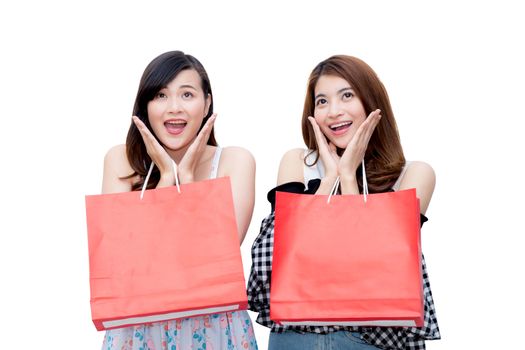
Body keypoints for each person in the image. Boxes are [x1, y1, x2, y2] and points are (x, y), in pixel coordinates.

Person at [247, 55, 440, 349]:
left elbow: (383, 264)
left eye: (346, 95)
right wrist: (329, 179)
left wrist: (348, 177)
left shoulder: (413, 174)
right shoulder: (298, 163)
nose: (333, 111)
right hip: (294, 338)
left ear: (371, 100)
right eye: (322, 101)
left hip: (372, 340)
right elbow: (274, 261)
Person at [101, 51, 258, 350]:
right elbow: (121, 259)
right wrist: (165, 178)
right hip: (138, 331)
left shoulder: (235, 161)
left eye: (187, 94)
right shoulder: (120, 160)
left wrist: (185, 176)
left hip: (215, 328)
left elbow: (221, 251)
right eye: (161, 95)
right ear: (145, 106)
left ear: (207, 103)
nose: (174, 108)